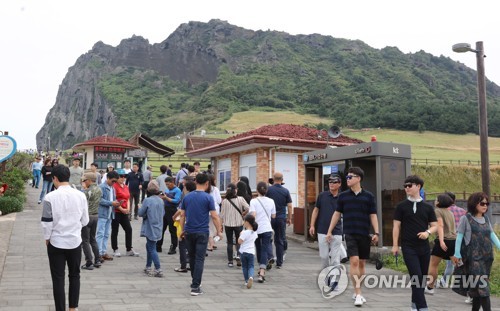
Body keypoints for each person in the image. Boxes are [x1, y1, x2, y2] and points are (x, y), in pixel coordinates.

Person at [326, 167, 379, 307]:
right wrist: (330, 231)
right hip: (349, 233)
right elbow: (337, 214)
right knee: (354, 261)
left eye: (350, 177)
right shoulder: (343, 196)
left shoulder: (368, 196)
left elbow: (373, 215)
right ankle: (358, 293)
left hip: (364, 233)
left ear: (358, 178)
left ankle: (358, 290)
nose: (347, 179)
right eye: (347, 177)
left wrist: (377, 232)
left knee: (362, 264)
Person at [40, 164, 89, 311]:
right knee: (75, 276)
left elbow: (46, 222)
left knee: (58, 279)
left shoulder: (49, 197)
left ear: (54, 178)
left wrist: (47, 238)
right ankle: (73, 308)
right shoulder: (81, 195)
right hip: (75, 241)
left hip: (56, 242)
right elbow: (85, 221)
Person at [391, 175, 437, 311]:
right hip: (408, 246)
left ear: (418, 186)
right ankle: (423, 307)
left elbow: (435, 226)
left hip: (424, 247)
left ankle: (414, 304)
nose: (406, 188)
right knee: (416, 275)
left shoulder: (428, 207)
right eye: (405, 186)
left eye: (409, 185)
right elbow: (396, 226)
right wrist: (395, 245)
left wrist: (427, 233)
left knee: (422, 278)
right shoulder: (401, 207)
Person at [452, 192, 500, 311]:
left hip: (487, 258)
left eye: (487, 203)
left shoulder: (486, 218)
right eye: (482, 203)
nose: (485, 206)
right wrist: (457, 253)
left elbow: (491, 234)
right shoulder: (466, 218)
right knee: (484, 288)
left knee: (476, 290)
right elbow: (459, 236)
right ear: (474, 204)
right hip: (473, 260)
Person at [179, 173, 224, 296]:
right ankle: (195, 286)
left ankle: (195, 281)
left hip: (189, 231)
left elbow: (182, 215)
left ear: (195, 182)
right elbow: (214, 216)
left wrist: (182, 230)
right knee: (199, 259)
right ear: (207, 183)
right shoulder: (208, 198)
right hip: (202, 232)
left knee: (192, 257)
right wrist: (219, 231)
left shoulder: (187, 197)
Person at [309, 174, 347, 270]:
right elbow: (316, 210)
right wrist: (312, 225)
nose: (331, 184)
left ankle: (335, 282)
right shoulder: (322, 195)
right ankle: (327, 276)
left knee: (335, 259)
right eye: (330, 182)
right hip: (322, 230)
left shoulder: (343, 197)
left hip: (337, 231)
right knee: (324, 257)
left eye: (334, 182)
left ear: (339, 184)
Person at [426, 194, 456, 295]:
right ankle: (471, 291)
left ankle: (430, 288)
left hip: (443, 240)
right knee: (459, 266)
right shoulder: (450, 212)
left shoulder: (437, 211)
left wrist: (442, 240)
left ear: (439, 202)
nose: (435, 200)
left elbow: (440, 225)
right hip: (453, 240)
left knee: (433, 265)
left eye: (436, 199)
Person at [436, 191, 467, 290]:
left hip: (450, 238)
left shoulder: (444, 211)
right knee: (460, 262)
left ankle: (444, 281)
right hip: (462, 239)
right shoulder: (463, 211)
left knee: (451, 263)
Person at [249, 181, 276, 283]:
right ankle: (262, 271)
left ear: (257, 190)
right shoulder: (271, 201)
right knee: (265, 249)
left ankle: (261, 268)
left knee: (258, 248)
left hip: (257, 229)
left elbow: (253, 215)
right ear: (266, 190)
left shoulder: (253, 201)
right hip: (267, 228)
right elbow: (273, 216)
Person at [266, 172, 292, 269]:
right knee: (280, 239)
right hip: (281, 218)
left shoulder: (268, 190)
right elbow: (289, 206)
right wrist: (289, 218)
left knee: (268, 238)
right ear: (282, 179)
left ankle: (269, 257)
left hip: (269, 218)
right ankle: (279, 263)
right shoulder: (286, 191)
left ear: (273, 179)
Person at [138, 180, 165, 277]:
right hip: (158, 226)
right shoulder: (161, 200)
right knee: (149, 246)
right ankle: (148, 266)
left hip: (150, 227)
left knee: (152, 248)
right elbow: (163, 214)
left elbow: (140, 213)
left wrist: (139, 208)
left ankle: (158, 269)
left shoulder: (147, 200)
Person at [220, 183, 249, 267]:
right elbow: (248, 207)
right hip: (238, 223)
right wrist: (244, 213)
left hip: (228, 224)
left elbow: (221, 215)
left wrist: (220, 226)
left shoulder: (224, 201)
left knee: (229, 242)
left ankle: (230, 261)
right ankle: (238, 256)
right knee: (238, 241)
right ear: (235, 190)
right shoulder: (240, 199)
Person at [112, 169, 139, 257]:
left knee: (128, 229)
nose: (123, 178)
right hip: (116, 211)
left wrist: (127, 208)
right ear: (117, 177)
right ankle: (115, 249)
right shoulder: (114, 186)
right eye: (121, 176)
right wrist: (121, 209)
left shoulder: (126, 186)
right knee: (115, 230)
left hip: (124, 211)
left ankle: (129, 249)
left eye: (124, 176)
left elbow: (127, 198)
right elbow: (114, 200)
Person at [96, 170, 121, 262]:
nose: (114, 183)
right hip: (102, 214)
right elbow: (99, 200)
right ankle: (98, 253)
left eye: (115, 181)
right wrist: (111, 203)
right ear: (108, 178)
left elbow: (113, 200)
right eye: (113, 181)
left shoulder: (112, 188)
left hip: (110, 213)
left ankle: (103, 252)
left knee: (106, 234)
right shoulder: (101, 187)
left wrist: (117, 203)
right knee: (100, 234)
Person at [80, 172, 103, 270]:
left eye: (85, 180)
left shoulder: (87, 191)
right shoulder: (99, 189)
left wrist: (83, 189)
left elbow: (81, 200)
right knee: (93, 239)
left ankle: (89, 262)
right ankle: (97, 260)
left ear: (89, 180)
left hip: (87, 216)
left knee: (85, 240)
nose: (84, 182)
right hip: (96, 215)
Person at [173, 179, 197, 273]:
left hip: (186, 224)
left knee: (182, 245)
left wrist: (174, 216)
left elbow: (181, 212)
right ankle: (191, 264)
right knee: (192, 247)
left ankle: (183, 266)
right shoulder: (198, 196)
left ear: (187, 188)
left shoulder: (186, 197)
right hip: (196, 225)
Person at [157, 176, 182, 254]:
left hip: (173, 210)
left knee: (172, 230)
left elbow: (176, 200)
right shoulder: (167, 190)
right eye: (166, 184)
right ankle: (158, 245)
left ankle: (173, 246)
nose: (167, 186)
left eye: (168, 184)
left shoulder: (177, 190)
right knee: (162, 228)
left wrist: (166, 198)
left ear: (172, 183)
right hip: (165, 210)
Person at [238, 214, 258, 289]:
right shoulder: (254, 232)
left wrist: (240, 235)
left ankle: (246, 281)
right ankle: (251, 277)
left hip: (244, 252)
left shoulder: (244, 232)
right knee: (251, 266)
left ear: (247, 222)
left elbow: (239, 242)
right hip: (251, 252)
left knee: (244, 267)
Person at [207, 174, 222, 251]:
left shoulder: (205, 189)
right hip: (215, 210)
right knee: (214, 227)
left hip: (207, 211)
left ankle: (211, 243)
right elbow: (219, 200)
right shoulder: (215, 189)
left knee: (209, 227)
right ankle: (212, 244)